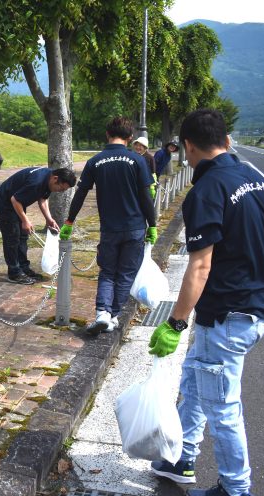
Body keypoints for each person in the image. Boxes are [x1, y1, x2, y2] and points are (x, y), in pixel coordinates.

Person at [148, 108, 264, 496]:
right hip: (250, 310)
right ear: (224, 138)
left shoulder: (208, 190)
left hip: (226, 317)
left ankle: (236, 492)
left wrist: (175, 321)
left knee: (223, 406)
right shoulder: (262, 182)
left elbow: (200, 265)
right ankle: (181, 458)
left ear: (189, 146)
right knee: (192, 382)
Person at [59, 116, 157, 335]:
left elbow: (81, 193)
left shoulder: (95, 161)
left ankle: (102, 313)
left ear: (107, 134)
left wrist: (69, 221)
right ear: (130, 137)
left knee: (107, 272)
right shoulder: (137, 160)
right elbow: (145, 198)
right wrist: (152, 225)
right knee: (125, 274)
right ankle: (112, 316)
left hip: (109, 229)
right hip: (135, 228)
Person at [0, 167, 76, 284]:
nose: (60, 191)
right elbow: (14, 200)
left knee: (23, 236)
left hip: (17, 203)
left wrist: (49, 219)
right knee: (12, 237)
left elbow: (42, 199)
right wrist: (25, 220)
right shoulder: (36, 182)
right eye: (61, 188)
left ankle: (23, 267)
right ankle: (14, 272)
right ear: (55, 178)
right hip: (5, 202)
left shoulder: (49, 179)